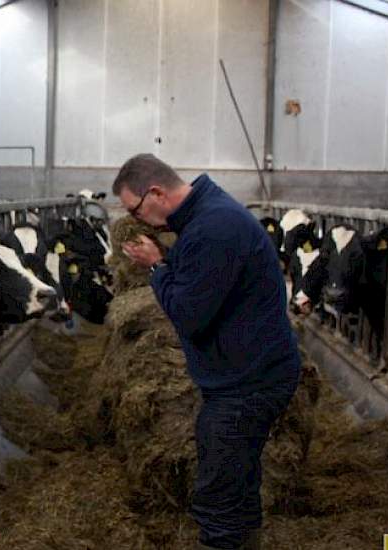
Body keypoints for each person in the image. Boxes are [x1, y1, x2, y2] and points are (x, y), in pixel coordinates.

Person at [115, 154, 300, 550]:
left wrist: (156, 268)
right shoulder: (206, 217)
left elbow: (188, 315)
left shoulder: (213, 228)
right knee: (238, 483)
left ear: (156, 193)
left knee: (218, 496)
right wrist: (167, 263)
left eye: (134, 210)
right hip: (245, 375)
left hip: (248, 384)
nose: (138, 221)